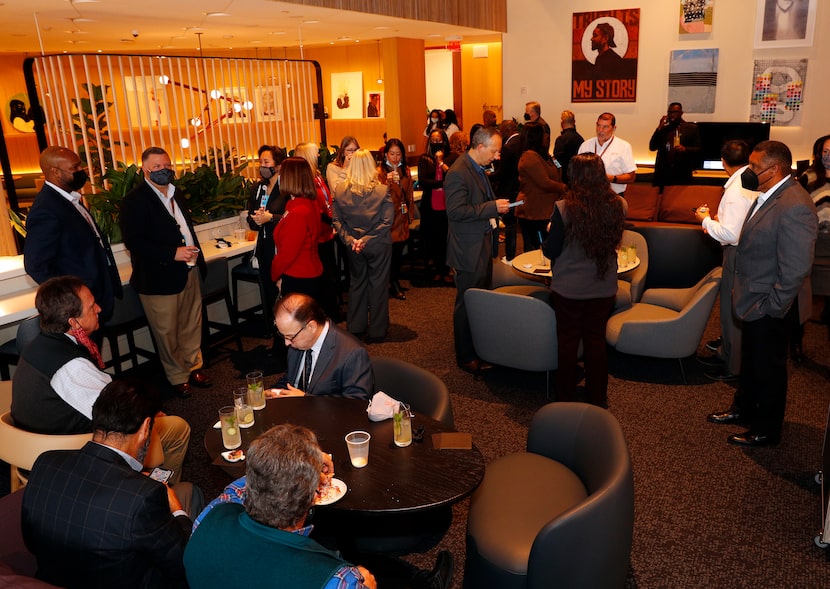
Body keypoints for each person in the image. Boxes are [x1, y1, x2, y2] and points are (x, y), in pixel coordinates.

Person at [186, 424, 454, 589]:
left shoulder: (205, 520)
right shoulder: (339, 580)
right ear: (314, 495)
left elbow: (238, 488)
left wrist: (299, 464)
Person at [21, 379, 199, 589]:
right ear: (145, 428)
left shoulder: (46, 462)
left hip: (53, 579)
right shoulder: (144, 496)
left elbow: (31, 541)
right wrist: (177, 511)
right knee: (190, 494)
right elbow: (184, 562)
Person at [11, 275, 191, 481]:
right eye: (91, 306)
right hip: (63, 457)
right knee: (177, 428)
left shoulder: (37, 345)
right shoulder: (71, 367)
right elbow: (120, 417)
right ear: (74, 322)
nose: (99, 309)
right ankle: (161, 498)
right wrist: (150, 411)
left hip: (28, 448)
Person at [707, 140, 818, 447]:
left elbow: (795, 267)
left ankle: (766, 428)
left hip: (769, 303)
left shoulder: (795, 204)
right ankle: (743, 409)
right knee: (752, 360)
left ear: (775, 169)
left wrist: (773, 305)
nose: (750, 171)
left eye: (755, 167)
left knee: (768, 367)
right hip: (753, 297)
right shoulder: (768, 194)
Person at [120, 146, 212, 398]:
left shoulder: (176, 193)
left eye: (167, 165)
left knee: (192, 323)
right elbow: (135, 243)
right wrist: (172, 253)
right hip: (158, 277)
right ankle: (177, 376)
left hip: (189, 269)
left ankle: (194, 367)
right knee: (167, 330)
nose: (163, 170)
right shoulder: (134, 201)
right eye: (156, 167)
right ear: (144, 170)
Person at [542, 154, 626, 407]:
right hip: (603, 286)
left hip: (569, 288)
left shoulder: (563, 207)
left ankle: (564, 397)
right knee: (596, 342)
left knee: (567, 343)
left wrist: (549, 233)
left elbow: (551, 251)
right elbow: (614, 242)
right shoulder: (618, 204)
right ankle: (597, 398)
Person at [23, 146, 122, 322]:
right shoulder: (46, 209)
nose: (80, 171)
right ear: (55, 171)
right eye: (74, 168)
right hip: (78, 306)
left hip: (97, 296)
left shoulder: (69, 198)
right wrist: (71, 298)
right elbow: (36, 265)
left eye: (79, 166)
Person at [445, 126, 510, 373]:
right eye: (495, 151)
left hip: (480, 244)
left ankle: (479, 348)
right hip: (467, 249)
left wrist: (493, 207)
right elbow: (455, 212)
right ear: (480, 147)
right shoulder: (458, 173)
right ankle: (465, 356)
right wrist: (492, 208)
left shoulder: (478, 168)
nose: (498, 156)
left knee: (479, 301)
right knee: (467, 303)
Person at [694, 140, 756, 382]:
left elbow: (731, 234)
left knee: (731, 311)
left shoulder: (735, 189)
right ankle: (728, 355)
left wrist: (705, 220)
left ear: (723, 162)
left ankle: (731, 367)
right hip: (747, 253)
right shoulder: (749, 180)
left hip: (736, 254)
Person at [333, 150, 394, 342]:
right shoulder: (382, 190)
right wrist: (365, 240)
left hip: (352, 246)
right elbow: (386, 222)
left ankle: (356, 326)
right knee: (378, 285)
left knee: (357, 283)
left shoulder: (340, 190)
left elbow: (336, 220)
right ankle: (377, 329)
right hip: (377, 244)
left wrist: (352, 240)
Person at [268, 293, 372, 399]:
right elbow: (292, 379)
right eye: (283, 336)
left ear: (311, 327)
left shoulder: (353, 353)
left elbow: (355, 405)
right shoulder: (297, 341)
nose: (287, 343)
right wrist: (272, 392)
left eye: (290, 337)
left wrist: (307, 400)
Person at [294, 141, 340, 321]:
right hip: (318, 234)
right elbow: (316, 209)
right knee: (324, 277)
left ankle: (332, 311)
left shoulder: (318, 176)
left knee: (330, 274)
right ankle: (327, 314)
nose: (319, 155)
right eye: (316, 153)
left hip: (327, 231)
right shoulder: (307, 181)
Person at [271, 157, 326, 303]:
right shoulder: (303, 203)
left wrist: (274, 275)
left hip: (299, 276)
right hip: (307, 273)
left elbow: (288, 253)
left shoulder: (298, 211)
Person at [245, 145, 287, 332]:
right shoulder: (258, 188)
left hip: (282, 247)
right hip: (264, 247)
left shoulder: (286, 187)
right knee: (270, 291)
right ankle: (275, 330)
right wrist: (255, 219)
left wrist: (271, 218)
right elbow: (250, 215)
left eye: (266, 162)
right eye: (260, 162)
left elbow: (291, 217)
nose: (262, 166)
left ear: (277, 165)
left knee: (284, 293)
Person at [516, 122, 567, 252]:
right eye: (543, 133)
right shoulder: (529, 157)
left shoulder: (546, 156)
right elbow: (544, 182)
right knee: (539, 248)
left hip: (546, 210)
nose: (547, 136)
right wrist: (563, 188)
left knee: (549, 245)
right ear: (536, 137)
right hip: (534, 212)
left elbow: (559, 167)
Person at [378, 137, 415, 301]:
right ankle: (389, 283)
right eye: (391, 154)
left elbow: (410, 196)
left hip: (402, 215)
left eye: (398, 154)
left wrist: (410, 214)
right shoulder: (380, 172)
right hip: (388, 217)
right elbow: (377, 196)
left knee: (399, 252)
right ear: (386, 154)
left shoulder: (405, 170)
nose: (395, 157)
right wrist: (387, 182)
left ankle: (395, 280)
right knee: (389, 254)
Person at [799, 134, 830, 325]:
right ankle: (796, 342)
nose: (829, 156)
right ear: (819, 154)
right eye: (826, 152)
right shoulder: (808, 178)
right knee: (801, 296)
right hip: (811, 243)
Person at [418, 129, 455, 286]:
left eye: (439, 140)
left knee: (446, 238)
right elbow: (424, 181)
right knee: (433, 238)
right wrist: (441, 183)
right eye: (432, 141)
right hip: (430, 206)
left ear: (445, 141)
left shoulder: (451, 158)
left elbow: (453, 177)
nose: (436, 143)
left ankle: (446, 270)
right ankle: (435, 271)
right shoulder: (424, 159)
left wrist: (441, 163)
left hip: (448, 205)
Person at [578, 112, 636, 196]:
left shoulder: (624, 147)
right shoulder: (585, 145)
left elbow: (631, 177)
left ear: (614, 128)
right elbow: (578, 171)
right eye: (598, 126)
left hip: (613, 196)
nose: (600, 130)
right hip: (588, 195)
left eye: (605, 127)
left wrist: (611, 178)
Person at [490, 119, 522, 264]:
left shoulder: (508, 147)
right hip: (518, 188)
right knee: (512, 224)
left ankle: (509, 256)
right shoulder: (522, 142)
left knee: (508, 224)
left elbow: (502, 173)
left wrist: (489, 175)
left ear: (506, 131)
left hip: (507, 190)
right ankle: (512, 255)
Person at [648, 102, 701, 189]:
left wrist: (685, 149)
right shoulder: (663, 129)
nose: (672, 115)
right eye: (670, 112)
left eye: (675, 112)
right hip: (663, 175)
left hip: (681, 174)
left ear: (681, 113)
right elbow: (652, 147)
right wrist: (659, 128)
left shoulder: (691, 128)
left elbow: (699, 149)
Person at [553, 110, 584, 184]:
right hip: (577, 178)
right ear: (574, 122)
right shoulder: (580, 139)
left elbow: (556, 160)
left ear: (562, 123)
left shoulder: (560, 139)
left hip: (564, 177)